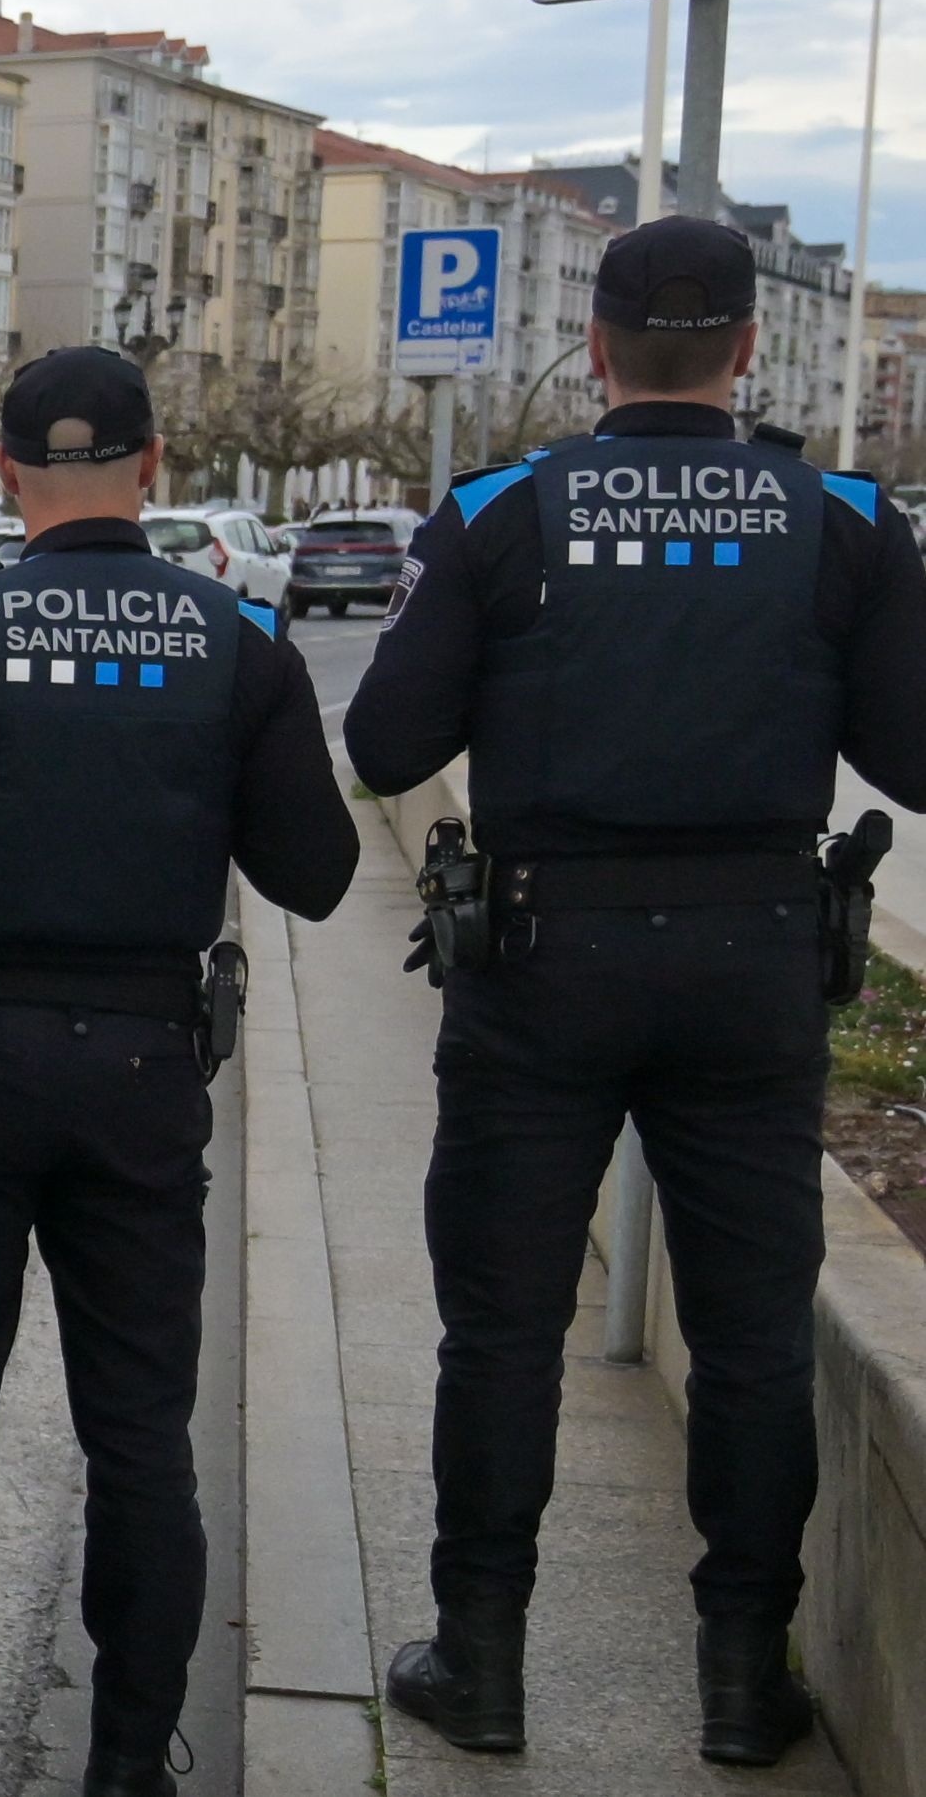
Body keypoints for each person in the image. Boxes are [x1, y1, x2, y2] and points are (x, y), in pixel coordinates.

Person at [342, 213, 926, 1768]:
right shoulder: (845, 517)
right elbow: (913, 755)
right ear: (746, 351)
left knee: (500, 1329)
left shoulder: (493, 512)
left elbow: (385, 748)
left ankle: (479, 1661)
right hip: (749, 971)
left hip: (539, 965)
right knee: (747, 1340)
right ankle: (741, 1681)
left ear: (591, 349)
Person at [0, 346, 361, 1797]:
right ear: (151, 462)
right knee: (135, 1430)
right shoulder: (233, 638)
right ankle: (124, 1765)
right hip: (139, 1065)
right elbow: (313, 871)